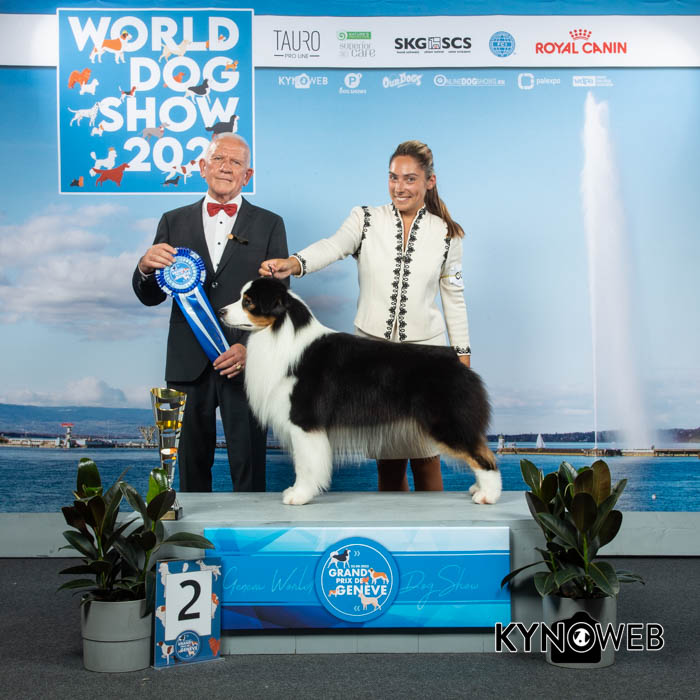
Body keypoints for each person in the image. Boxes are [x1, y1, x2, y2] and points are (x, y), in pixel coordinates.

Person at [259, 140, 471, 492]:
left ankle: (433, 526)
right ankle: (392, 526)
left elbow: (454, 298)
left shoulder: (449, 234)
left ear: (429, 181)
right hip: (372, 356)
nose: (399, 187)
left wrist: (462, 357)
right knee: (388, 461)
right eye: (393, 177)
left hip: (425, 356)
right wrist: (294, 263)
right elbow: (333, 246)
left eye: (410, 179)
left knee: (427, 457)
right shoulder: (365, 219)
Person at [133, 133, 288, 492]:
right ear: (203, 167)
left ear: (248, 175)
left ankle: (248, 532)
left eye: (236, 162)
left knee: (250, 473)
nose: (226, 167)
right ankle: (193, 532)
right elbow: (150, 297)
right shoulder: (172, 221)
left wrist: (250, 348)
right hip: (187, 367)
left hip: (245, 365)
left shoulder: (270, 224)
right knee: (188, 475)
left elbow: (278, 301)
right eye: (218, 159)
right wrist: (144, 267)